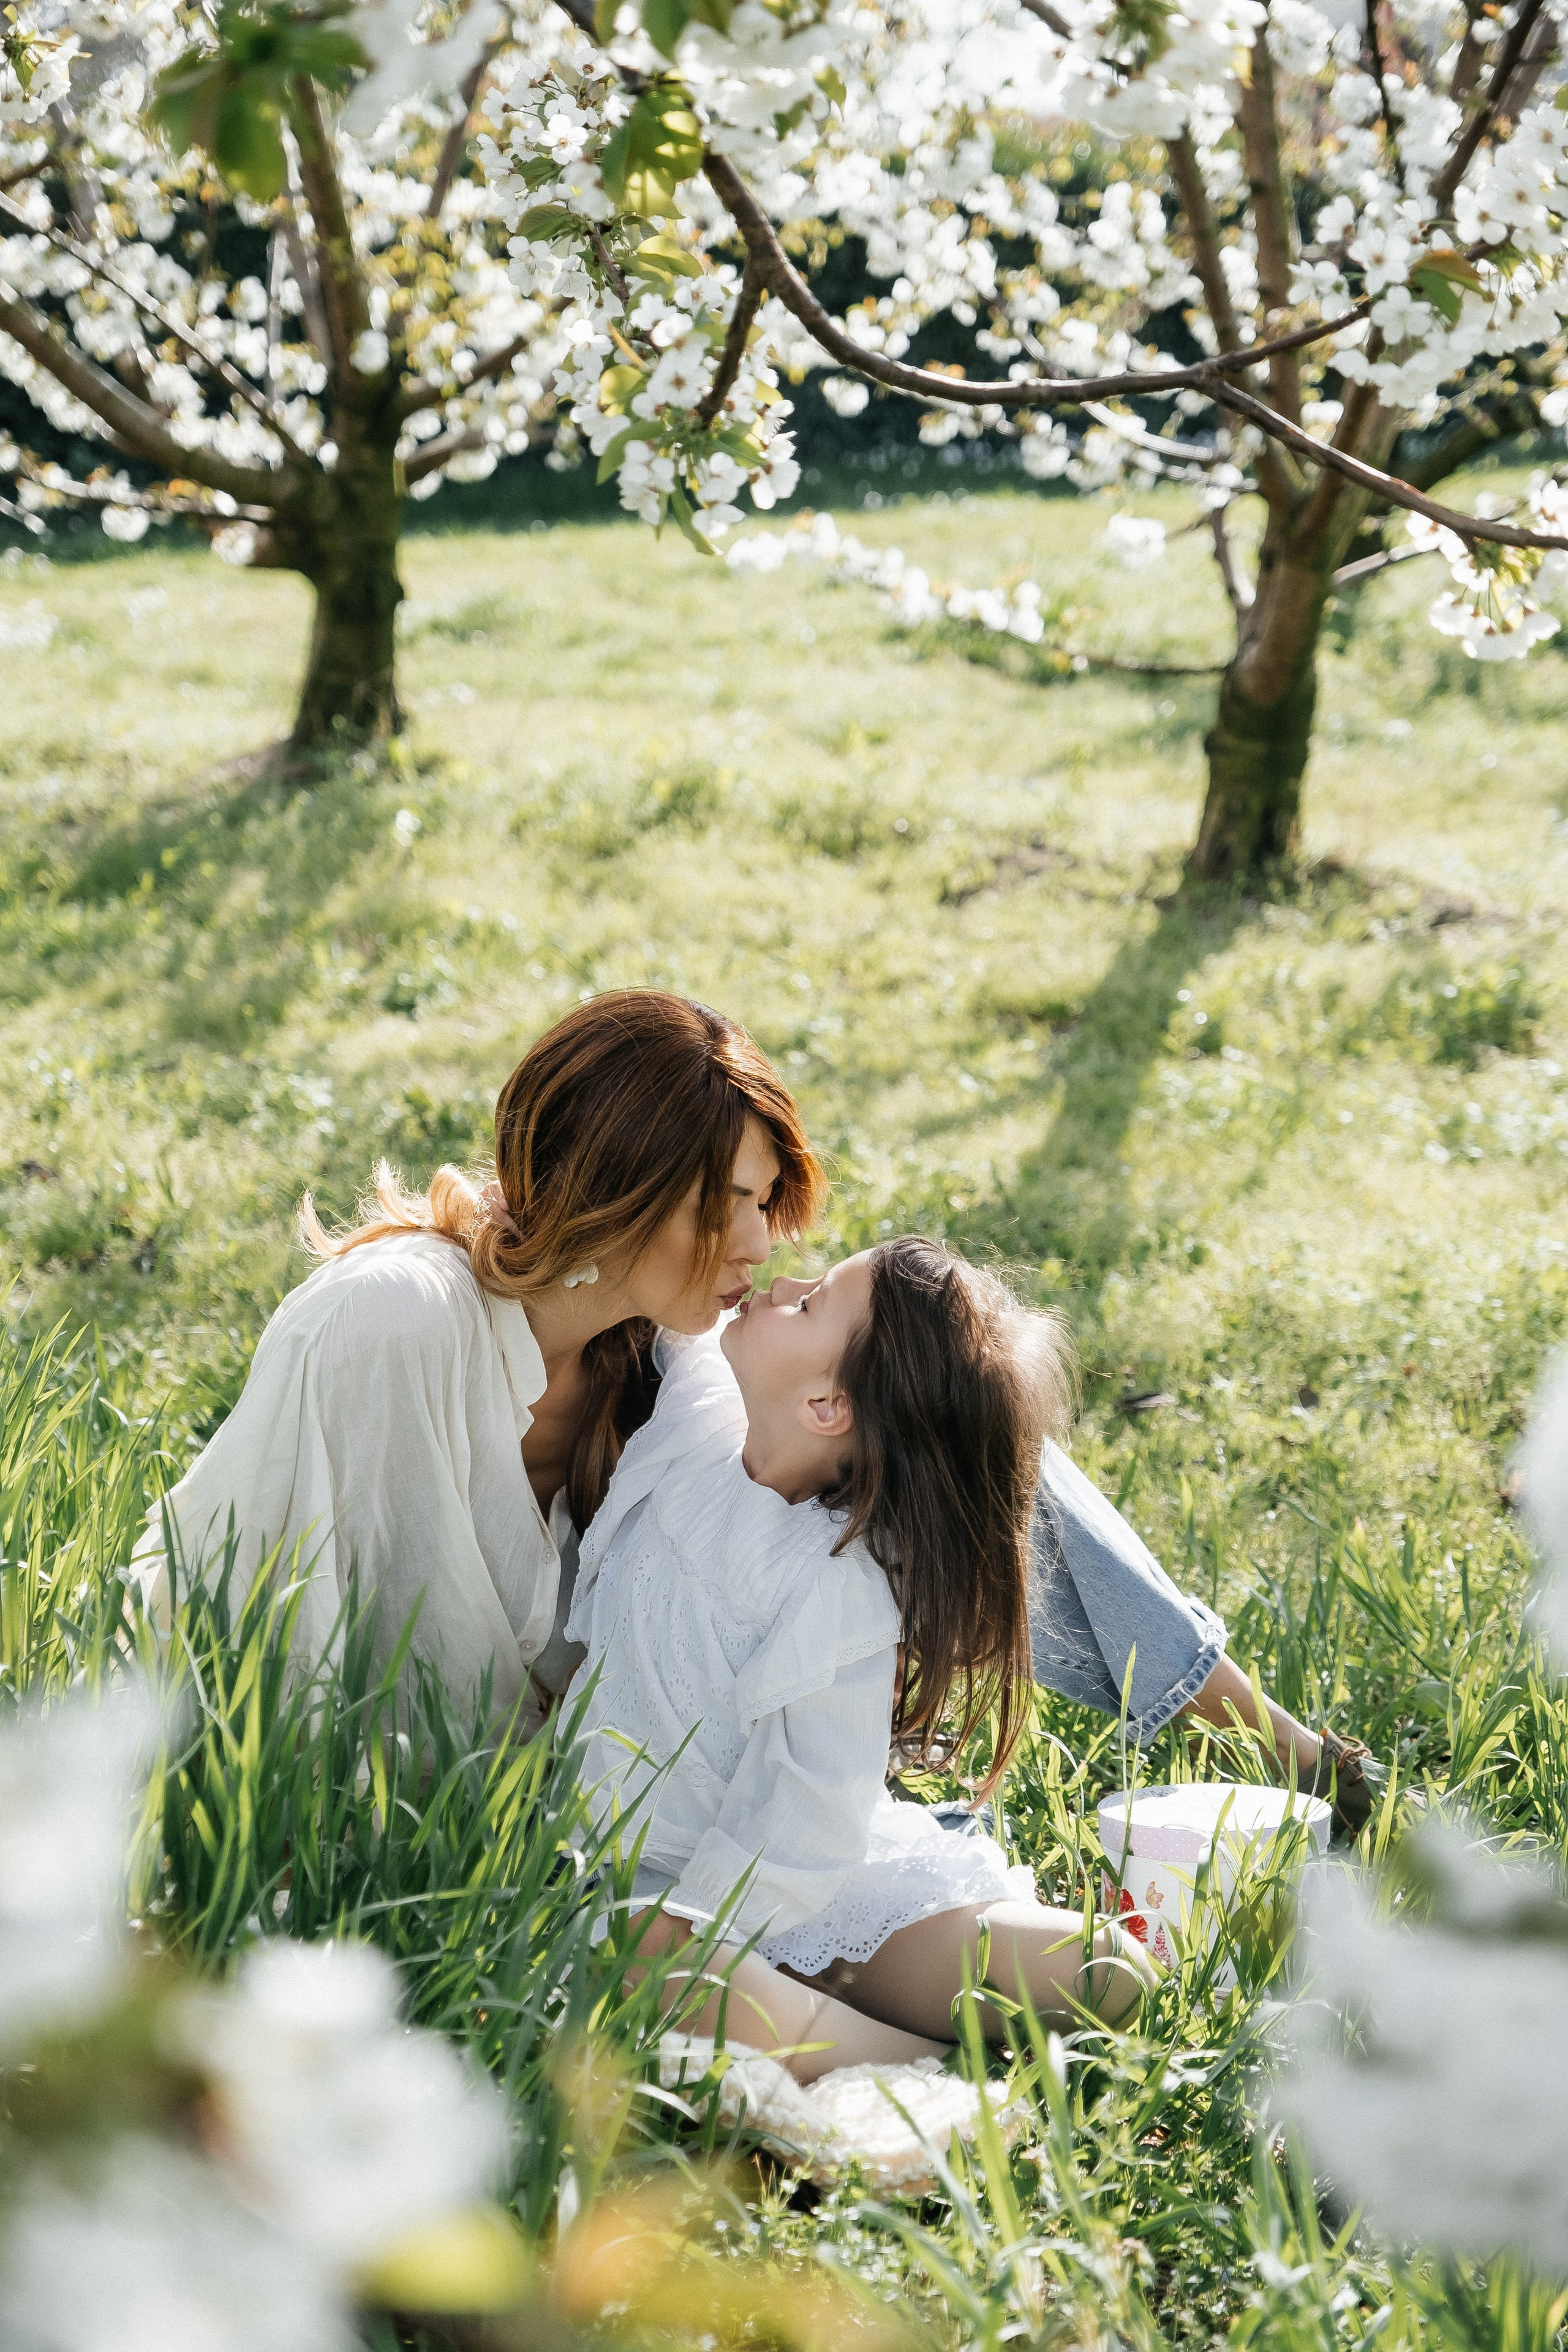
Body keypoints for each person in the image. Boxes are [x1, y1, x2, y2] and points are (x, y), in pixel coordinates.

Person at [135, 989, 1372, 1823]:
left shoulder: (667, 1353)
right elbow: (289, 1646)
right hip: (392, 1800)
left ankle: (1277, 1747)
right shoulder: (394, 1322)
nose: (763, 1241)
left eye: (764, 1199)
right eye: (723, 1202)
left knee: (932, 1397)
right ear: (614, 1186)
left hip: (596, 1784)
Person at [565, 1237, 1155, 2079]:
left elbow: (813, 1806)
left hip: (783, 1878)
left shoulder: (832, 1583)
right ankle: (908, 2053)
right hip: (657, 1876)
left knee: (1104, 1972)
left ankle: (874, 2037)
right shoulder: (705, 1408)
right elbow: (660, 1286)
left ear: (825, 1406)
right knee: (645, 1959)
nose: (784, 1281)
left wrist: (711, 1924)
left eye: (810, 1303)